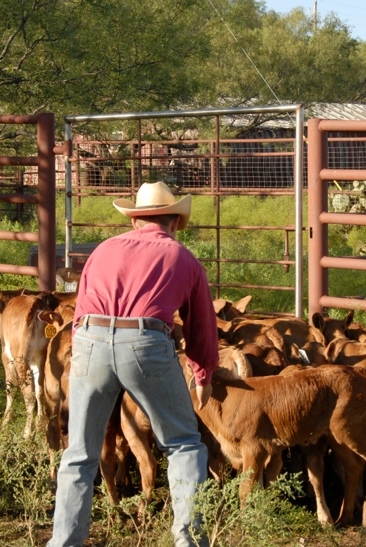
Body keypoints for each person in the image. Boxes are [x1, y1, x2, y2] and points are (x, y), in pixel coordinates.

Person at [48, 181, 219, 547]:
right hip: (147, 342)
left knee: (79, 453)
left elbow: (79, 313)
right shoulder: (182, 257)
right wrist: (202, 373)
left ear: (135, 221)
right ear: (174, 222)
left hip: (90, 341)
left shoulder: (103, 250)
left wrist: (82, 360)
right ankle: (189, 541)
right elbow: (202, 323)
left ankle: (63, 542)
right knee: (184, 444)